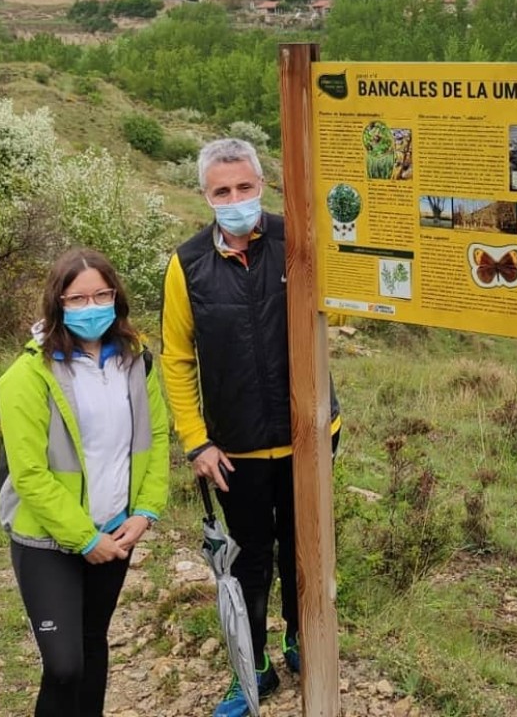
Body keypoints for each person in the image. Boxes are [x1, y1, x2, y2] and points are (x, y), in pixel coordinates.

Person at [161, 138, 341, 717]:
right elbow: (177, 357)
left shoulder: (299, 240)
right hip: (233, 449)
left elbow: (340, 306)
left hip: (308, 437)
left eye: (244, 187)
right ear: (206, 195)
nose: (235, 199)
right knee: (246, 560)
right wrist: (196, 441)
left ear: (262, 185)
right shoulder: (186, 264)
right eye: (222, 191)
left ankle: (301, 643)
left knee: (305, 551)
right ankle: (253, 664)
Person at [0, 247, 169, 716]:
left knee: (93, 644)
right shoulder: (27, 374)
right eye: (77, 298)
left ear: (116, 297)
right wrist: (84, 537)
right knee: (65, 665)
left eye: (101, 295)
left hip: (116, 531)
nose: (91, 307)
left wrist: (145, 513)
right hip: (47, 541)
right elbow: (28, 472)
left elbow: (153, 438)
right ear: (58, 304)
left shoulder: (137, 361)